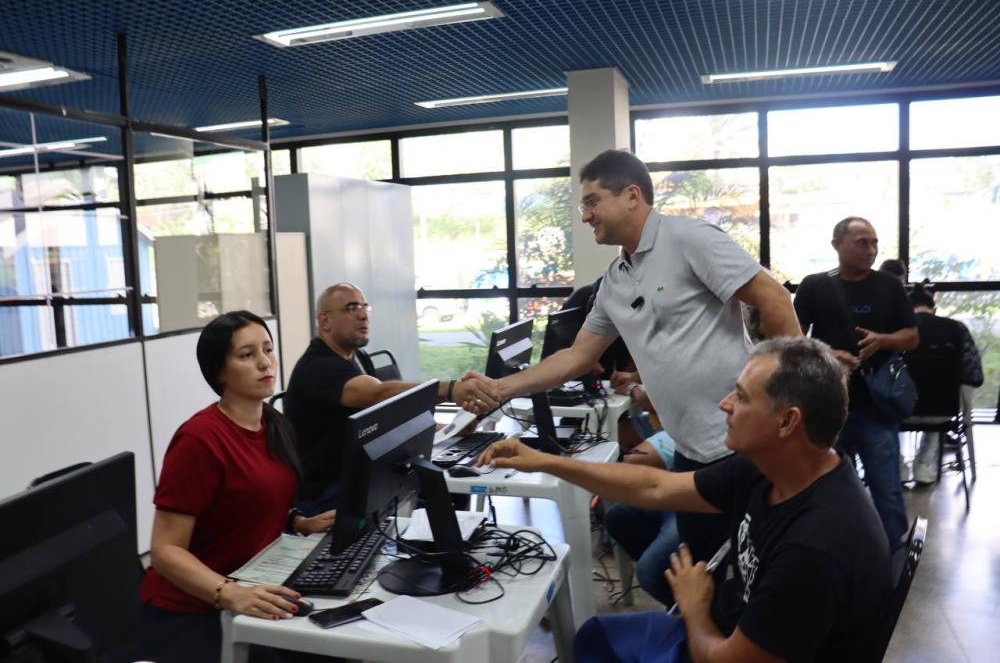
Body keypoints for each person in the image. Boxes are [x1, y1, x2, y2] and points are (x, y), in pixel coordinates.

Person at [469, 149, 801, 566]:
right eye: (583, 205)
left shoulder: (687, 238)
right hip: (689, 451)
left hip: (743, 447)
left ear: (631, 196)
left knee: (743, 575)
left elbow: (772, 298)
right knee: (701, 575)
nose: (585, 216)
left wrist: (794, 396)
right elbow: (576, 357)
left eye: (592, 202)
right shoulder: (615, 280)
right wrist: (499, 388)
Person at [478, 337, 892, 663]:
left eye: (742, 397)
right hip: (731, 622)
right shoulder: (771, 466)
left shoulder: (817, 546)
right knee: (595, 636)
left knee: (599, 644)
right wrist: (546, 462)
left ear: (787, 422)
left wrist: (694, 606)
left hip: (725, 643)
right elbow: (653, 488)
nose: (724, 404)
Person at [138, 311, 337, 663]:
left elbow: (243, 499)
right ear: (219, 372)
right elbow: (165, 551)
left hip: (255, 581)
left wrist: (296, 523)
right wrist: (228, 593)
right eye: (247, 355)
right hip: (193, 607)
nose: (265, 362)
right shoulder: (199, 440)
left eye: (268, 349)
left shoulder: (274, 423)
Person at [284, 283, 501, 515]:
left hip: (363, 476)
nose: (362, 315)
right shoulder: (319, 367)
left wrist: (446, 429)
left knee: (447, 490)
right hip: (330, 493)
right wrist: (450, 390)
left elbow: (386, 418)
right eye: (351, 308)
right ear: (324, 321)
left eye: (365, 307)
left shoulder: (358, 357)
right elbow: (378, 395)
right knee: (442, 497)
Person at [793, 217, 918, 549]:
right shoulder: (814, 285)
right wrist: (827, 354)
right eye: (862, 242)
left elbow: (911, 337)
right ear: (837, 244)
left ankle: (894, 564)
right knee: (825, 490)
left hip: (876, 405)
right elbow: (790, 337)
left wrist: (882, 340)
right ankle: (832, 555)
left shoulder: (889, 286)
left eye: (875, 242)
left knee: (887, 491)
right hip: (827, 407)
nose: (871, 250)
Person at [604, 368, 681, 605]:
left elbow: (668, 398)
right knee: (617, 515)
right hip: (671, 423)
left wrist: (632, 388)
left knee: (650, 570)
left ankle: (700, 615)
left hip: (687, 440)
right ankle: (681, 602)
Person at [909, 282, 984, 484]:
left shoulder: (895, 330)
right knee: (939, 403)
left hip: (900, 413)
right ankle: (924, 466)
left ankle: (897, 468)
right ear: (934, 309)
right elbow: (974, 376)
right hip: (943, 411)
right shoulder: (957, 329)